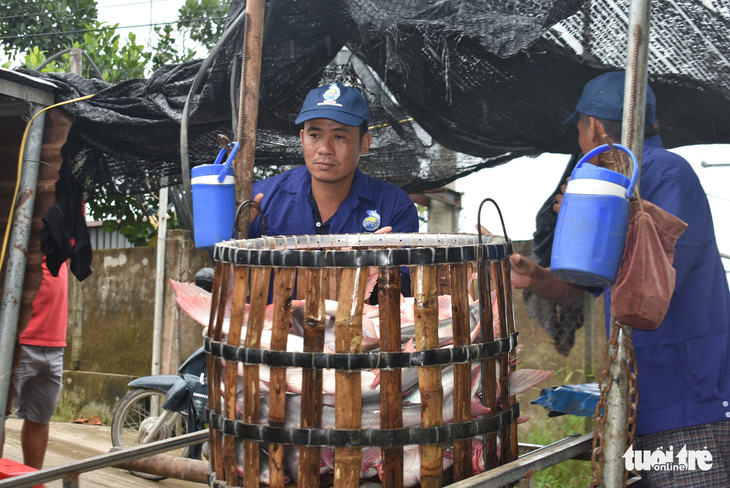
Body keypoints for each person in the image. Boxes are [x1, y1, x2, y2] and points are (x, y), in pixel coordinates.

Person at [509, 71, 730, 486]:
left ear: (591, 126)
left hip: (688, 399)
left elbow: (652, 277)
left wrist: (591, 216)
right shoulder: (617, 186)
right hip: (643, 400)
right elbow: (585, 284)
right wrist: (537, 277)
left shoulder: (662, 171)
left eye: (579, 129)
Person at [247, 82, 420, 292]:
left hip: (362, 324)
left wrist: (374, 270)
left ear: (364, 143)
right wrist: (233, 235)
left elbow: (406, 288)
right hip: (277, 324)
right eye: (315, 135)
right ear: (302, 138)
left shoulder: (394, 205)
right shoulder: (262, 198)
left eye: (339, 137)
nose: (324, 149)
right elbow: (227, 273)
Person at [2, 257, 69, 470]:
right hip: (17, 339)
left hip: (54, 341)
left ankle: (32, 480)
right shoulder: (21, 228)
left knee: (39, 417)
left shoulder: (67, 232)